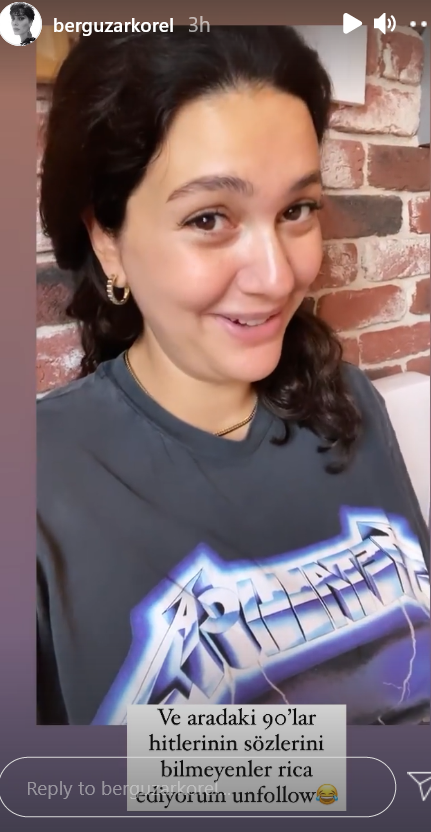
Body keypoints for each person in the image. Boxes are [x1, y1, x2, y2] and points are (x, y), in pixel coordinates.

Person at [37, 26, 430, 726]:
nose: (277, 277)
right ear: (107, 238)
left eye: (296, 210)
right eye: (209, 218)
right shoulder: (35, 482)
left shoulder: (349, 402)